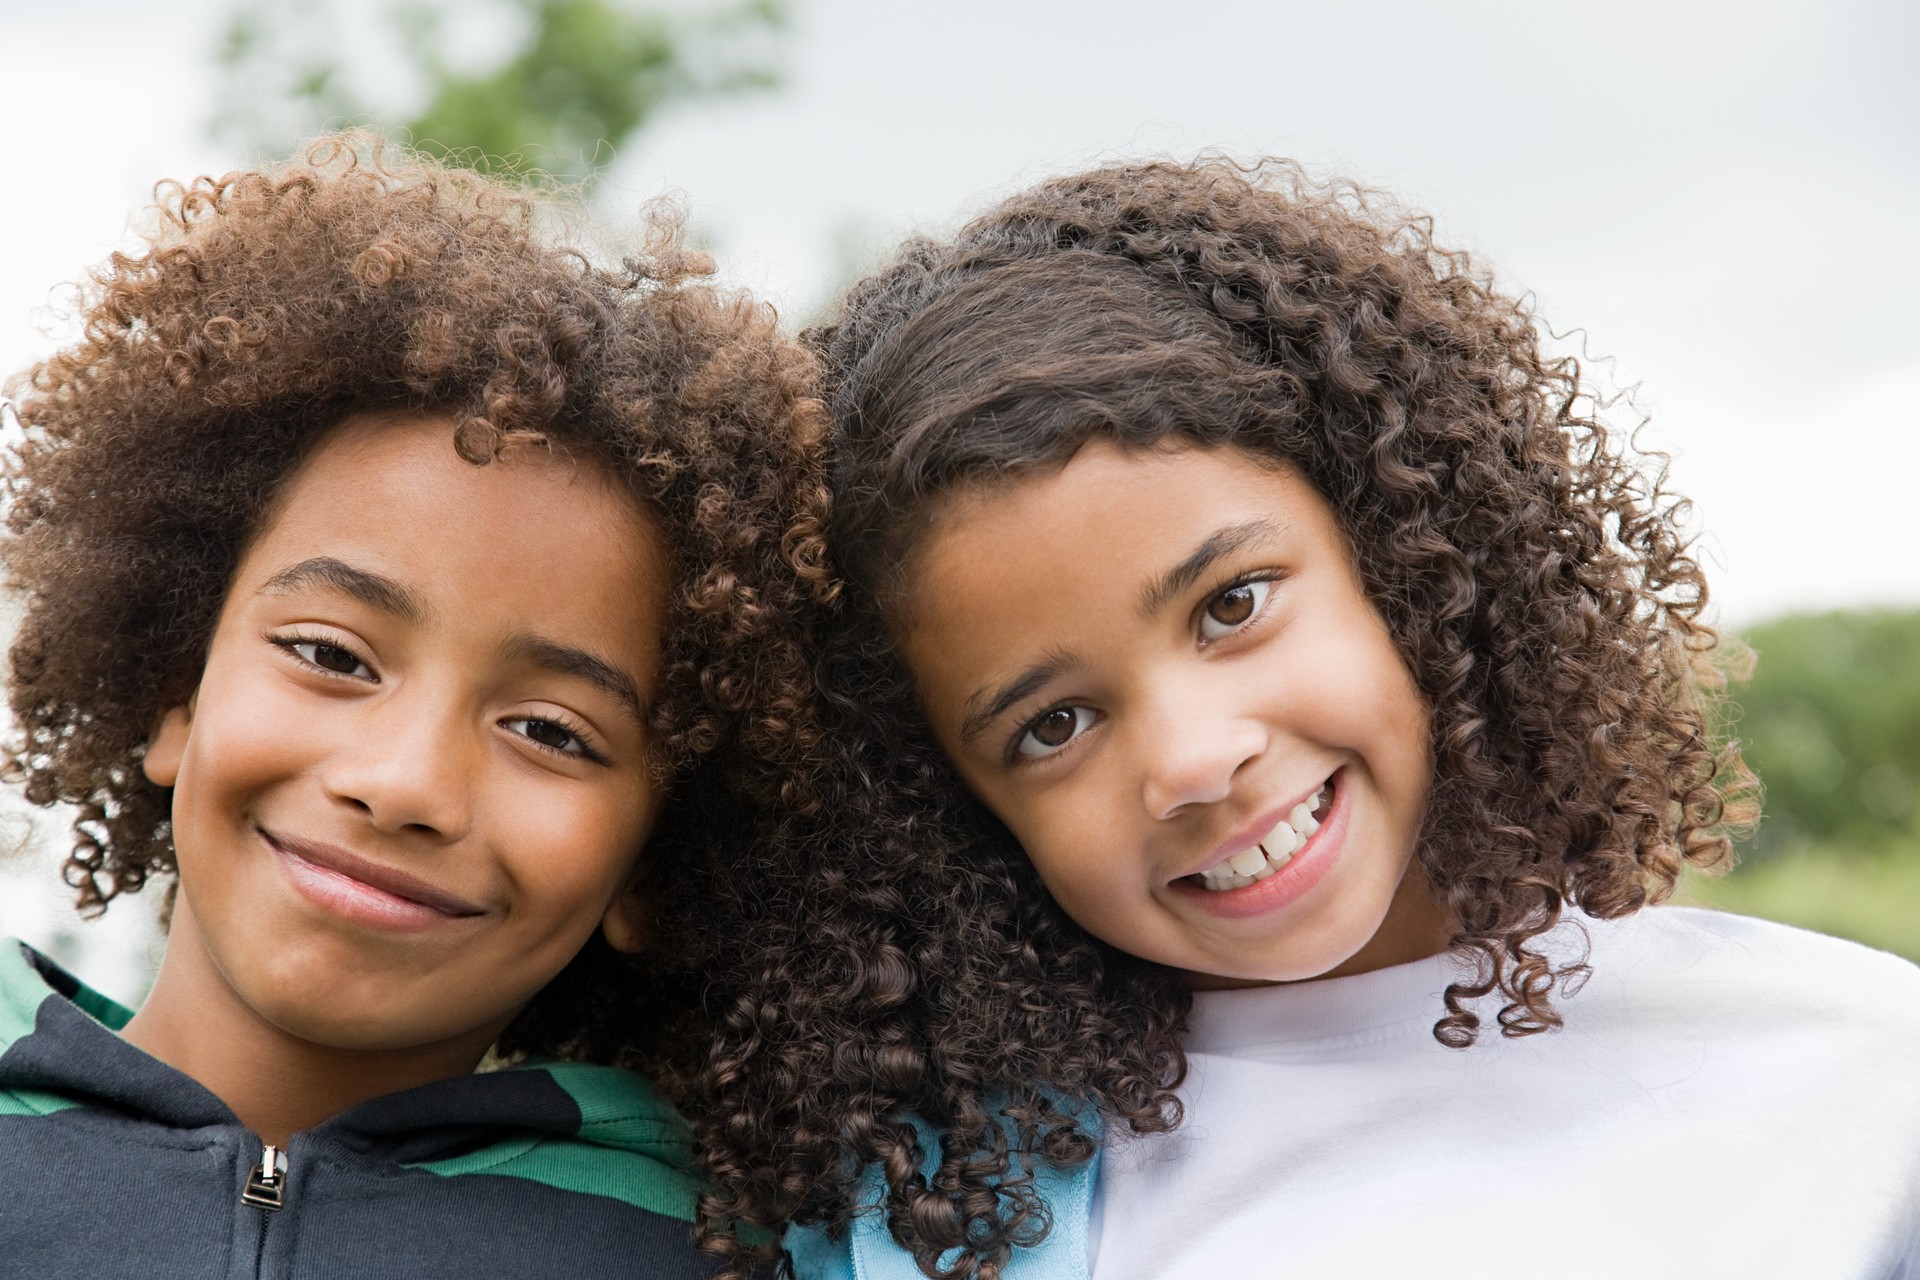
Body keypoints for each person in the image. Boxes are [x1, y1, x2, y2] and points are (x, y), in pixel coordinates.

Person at [691, 159, 1920, 1278]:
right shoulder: (933, 1221)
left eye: (1233, 602)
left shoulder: (1863, 1086)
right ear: (952, 811)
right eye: (1054, 724)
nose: (1194, 758)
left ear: (1408, 560)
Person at [0, 136, 826, 1277]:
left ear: (659, 864)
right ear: (172, 689)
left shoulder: (724, 1250)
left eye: (550, 730)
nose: (403, 783)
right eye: (333, 654)